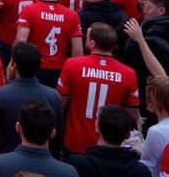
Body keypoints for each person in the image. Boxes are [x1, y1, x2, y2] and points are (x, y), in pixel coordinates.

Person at [56, 22, 140, 154]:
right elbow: (132, 114)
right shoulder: (128, 73)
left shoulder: (72, 65)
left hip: (75, 141)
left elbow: (60, 103)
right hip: (110, 144)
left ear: (92, 44)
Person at [0, 41, 64, 154]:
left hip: (6, 161)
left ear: (14, 65)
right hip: (40, 165)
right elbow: (57, 136)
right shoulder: (53, 95)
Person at [14, 0, 82, 88]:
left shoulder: (30, 10)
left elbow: (21, 40)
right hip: (60, 68)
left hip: (35, 67)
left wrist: (14, 63)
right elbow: (78, 49)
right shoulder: (72, 15)